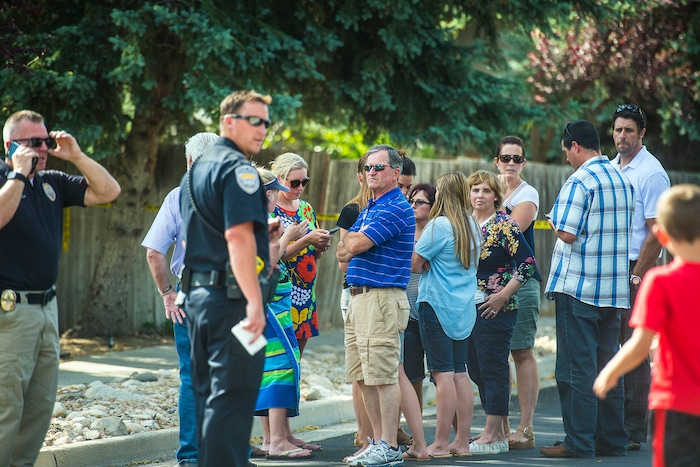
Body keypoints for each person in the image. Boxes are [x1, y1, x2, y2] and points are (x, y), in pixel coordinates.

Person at [0, 110, 121, 466]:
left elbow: (109, 192)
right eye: (33, 142)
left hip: (47, 308)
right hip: (10, 311)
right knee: (7, 403)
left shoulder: (53, 181)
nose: (43, 148)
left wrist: (77, 156)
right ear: (10, 146)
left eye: (46, 141)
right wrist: (19, 174)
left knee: (39, 404)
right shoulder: (5, 177)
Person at [178, 90, 280, 467]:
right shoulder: (239, 170)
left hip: (201, 298)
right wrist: (255, 304)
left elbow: (207, 237)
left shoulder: (197, 170)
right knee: (232, 404)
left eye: (266, 122)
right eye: (254, 120)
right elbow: (236, 238)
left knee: (209, 401)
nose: (262, 129)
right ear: (228, 122)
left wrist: (258, 239)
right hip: (230, 301)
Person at [540, 120, 634, 459]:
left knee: (575, 368)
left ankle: (578, 442)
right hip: (614, 290)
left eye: (566, 151)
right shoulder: (623, 180)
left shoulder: (580, 180)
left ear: (575, 145)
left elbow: (566, 232)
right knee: (608, 365)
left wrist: (551, 219)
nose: (566, 157)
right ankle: (612, 441)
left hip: (579, 288)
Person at [594, 184, 700, 467]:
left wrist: (609, 373)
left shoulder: (659, 282)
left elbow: (639, 343)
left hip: (675, 404)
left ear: (661, 235)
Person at [142, 131, 219, 467]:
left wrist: (166, 294)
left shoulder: (178, 196)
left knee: (192, 376)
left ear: (189, 161)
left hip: (191, 292)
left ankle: (191, 455)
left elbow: (154, 253)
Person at [336, 144, 416, 467]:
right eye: (368, 168)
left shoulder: (395, 207)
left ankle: (388, 444)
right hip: (358, 298)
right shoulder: (370, 207)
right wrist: (350, 245)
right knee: (363, 375)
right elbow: (344, 253)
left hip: (381, 298)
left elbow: (353, 244)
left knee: (383, 374)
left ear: (396, 173)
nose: (372, 173)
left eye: (379, 168)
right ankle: (375, 442)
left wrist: (352, 245)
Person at [610, 103, 670, 451]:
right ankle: (616, 424)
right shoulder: (613, 166)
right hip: (612, 267)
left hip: (638, 270)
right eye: (618, 129)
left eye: (629, 130)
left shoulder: (651, 173)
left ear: (641, 133)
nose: (622, 136)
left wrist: (636, 276)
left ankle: (634, 431)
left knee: (634, 348)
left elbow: (657, 232)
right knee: (612, 345)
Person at [466, 170, 537, 456]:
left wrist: (502, 295)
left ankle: (492, 433)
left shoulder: (503, 224)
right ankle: (500, 429)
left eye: (485, 190)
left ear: (496, 195)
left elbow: (528, 264)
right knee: (475, 367)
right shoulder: (466, 224)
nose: (480, 195)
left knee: (493, 366)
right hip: (466, 307)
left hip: (497, 308)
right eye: (475, 190)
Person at [412, 172, 481, 459]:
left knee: (442, 375)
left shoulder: (439, 225)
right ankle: (461, 442)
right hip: (464, 308)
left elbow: (416, 264)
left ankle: (439, 443)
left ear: (441, 195)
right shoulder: (472, 224)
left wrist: (426, 260)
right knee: (460, 374)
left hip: (437, 305)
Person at [253, 167, 314, 459]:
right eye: (277, 190)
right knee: (281, 366)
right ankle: (276, 441)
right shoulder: (262, 222)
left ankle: (274, 437)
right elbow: (267, 261)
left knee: (271, 367)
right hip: (270, 303)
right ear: (268, 194)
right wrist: (288, 235)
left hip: (270, 301)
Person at [493, 136, 542, 450]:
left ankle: (525, 428)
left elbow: (504, 231)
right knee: (494, 356)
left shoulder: (528, 194)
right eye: (506, 158)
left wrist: (491, 201)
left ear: (524, 163)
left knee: (521, 352)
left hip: (522, 283)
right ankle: (500, 427)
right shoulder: (485, 189)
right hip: (489, 285)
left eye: (518, 159)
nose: (511, 164)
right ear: (496, 160)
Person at [270, 152, 332, 357]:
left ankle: (294, 390)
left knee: (297, 358)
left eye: (304, 182)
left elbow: (313, 255)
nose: (300, 188)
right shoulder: (271, 211)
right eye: (295, 182)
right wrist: (306, 239)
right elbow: (276, 256)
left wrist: (320, 244)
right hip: (282, 293)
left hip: (306, 294)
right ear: (279, 178)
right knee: (280, 357)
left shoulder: (306, 208)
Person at [404, 184, 435, 412]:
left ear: (432, 206)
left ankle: (455, 436)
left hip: (432, 311)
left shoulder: (437, 232)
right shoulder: (403, 231)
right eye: (411, 201)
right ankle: (416, 434)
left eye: (419, 202)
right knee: (411, 376)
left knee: (442, 376)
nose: (413, 206)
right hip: (406, 314)